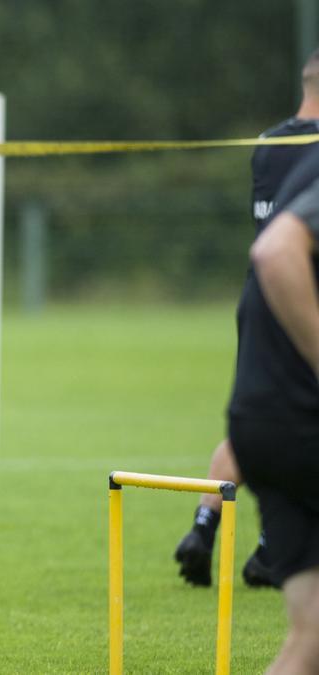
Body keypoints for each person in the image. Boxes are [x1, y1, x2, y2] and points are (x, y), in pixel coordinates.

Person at [173, 51, 319, 589]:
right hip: (302, 302)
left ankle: (205, 525)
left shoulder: (267, 144)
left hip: (256, 303)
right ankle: (271, 547)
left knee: (250, 425)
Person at [226, 132, 319, 674]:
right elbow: (275, 251)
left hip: (266, 416)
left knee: (309, 641)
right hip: (299, 420)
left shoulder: (298, 168)